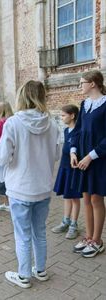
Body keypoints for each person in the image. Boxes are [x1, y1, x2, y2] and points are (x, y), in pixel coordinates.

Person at [0, 80, 60, 289]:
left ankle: (24, 275)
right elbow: (57, 154)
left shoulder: (13, 123)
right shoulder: (52, 123)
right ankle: (40, 270)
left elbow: (3, 157)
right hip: (42, 187)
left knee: (22, 234)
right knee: (39, 231)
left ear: (22, 96)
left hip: (20, 187)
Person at [70, 70, 106, 258]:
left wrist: (91, 156)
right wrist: (73, 151)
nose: (80, 85)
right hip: (82, 160)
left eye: (82, 82)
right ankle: (89, 237)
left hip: (98, 160)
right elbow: (77, 131)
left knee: (96, 199)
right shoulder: (84, 105)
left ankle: (98, 241)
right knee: (86, 199)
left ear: (93, 83)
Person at [52, 104, 82, 239]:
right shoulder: (65, 130)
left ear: (72, 116)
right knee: (67, 196)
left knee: (74, 197)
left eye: (63, 115)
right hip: (64, 167)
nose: (61, 117)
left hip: (73, 169)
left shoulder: (79, 131)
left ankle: (74, 225)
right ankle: (66, 221)